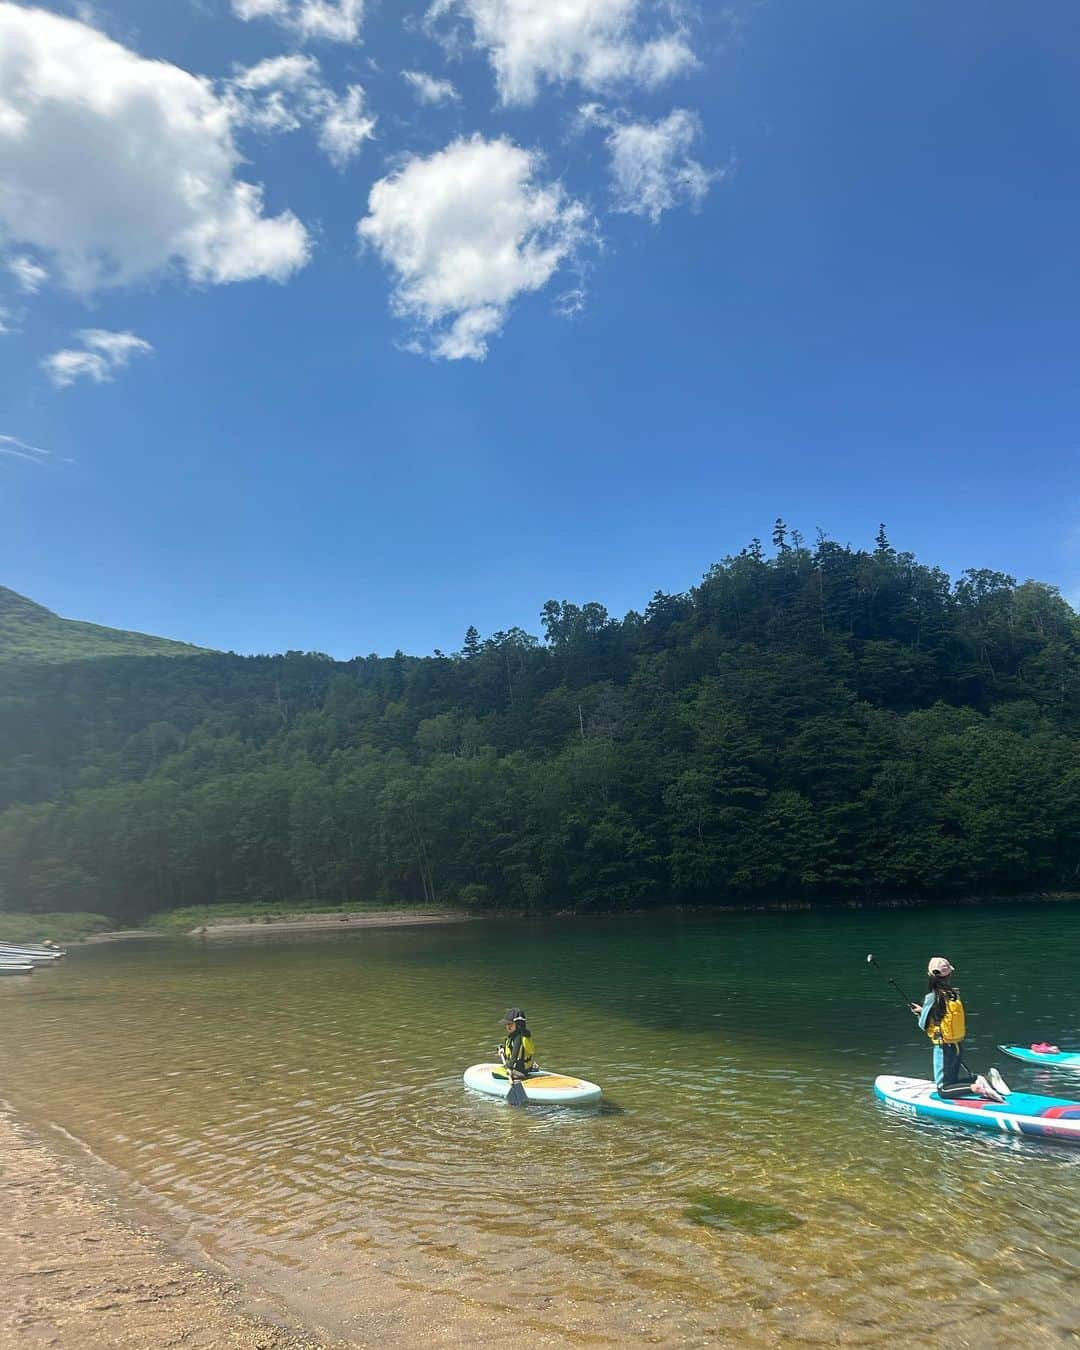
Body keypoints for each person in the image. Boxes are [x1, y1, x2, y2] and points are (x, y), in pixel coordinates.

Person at [910, 957, 1006, 1101]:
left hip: (943, 1048)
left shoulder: (932, 997)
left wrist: (920, 1014)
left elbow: (923, 1025)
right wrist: (924, 1010)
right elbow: (943, 1016)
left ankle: (977, 1088)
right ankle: (983, 1079)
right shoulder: (953, 994)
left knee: (943, 1089)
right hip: (956, 1046)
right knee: (952, 1083)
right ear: (949, 975)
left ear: (930, 976)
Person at [498, 1008, 537, 1080]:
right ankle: (531, 1069)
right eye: (506, 1024)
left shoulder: (518, 1038)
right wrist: (502, 1049)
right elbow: (511, 1048)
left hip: (519, 1070)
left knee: (496, 1073)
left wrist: (509, 1068)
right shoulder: (520, 1035)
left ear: (518, 1024)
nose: (507, 1026)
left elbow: (514, 1056)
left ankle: (519, 1075)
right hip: (526, 1068)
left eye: (510, 1024)